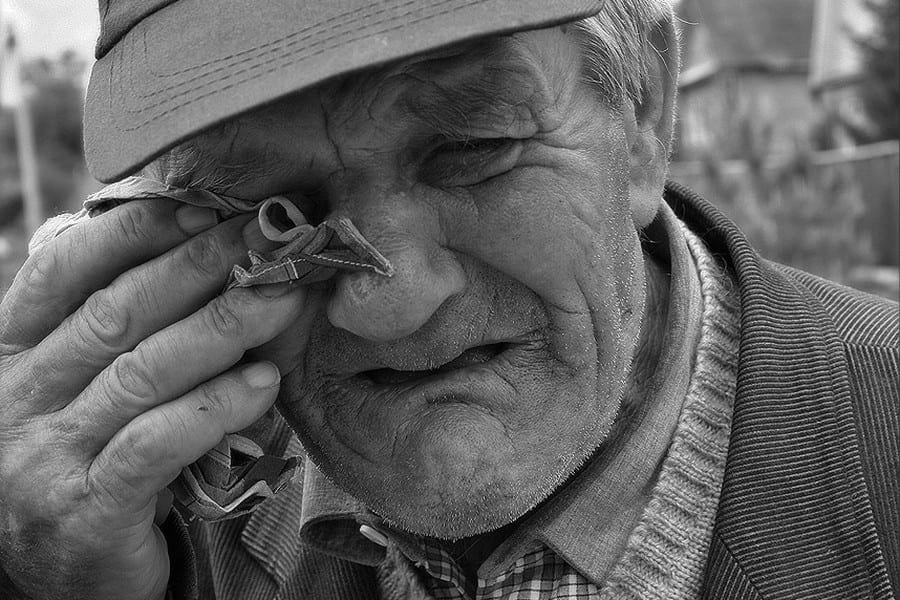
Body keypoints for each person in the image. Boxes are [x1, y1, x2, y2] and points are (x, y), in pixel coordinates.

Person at [0, 1, 897, 598]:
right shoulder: (136, 537)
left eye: (471, 148)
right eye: (275, 216)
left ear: (644, 114)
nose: (390, 306)